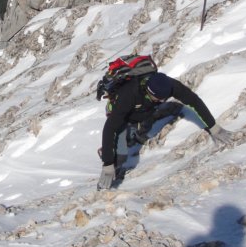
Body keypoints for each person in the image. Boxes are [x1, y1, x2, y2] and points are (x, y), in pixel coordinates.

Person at [98, 71, 233, 190]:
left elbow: (194, 101)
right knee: (120, 156)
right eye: (158, 98)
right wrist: (108, 163)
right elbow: (109, 128)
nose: (162, 100)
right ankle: (103, 182)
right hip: (120, 113)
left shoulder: (170, 85)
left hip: (143, 112)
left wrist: (213, 127)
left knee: (138, 129)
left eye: (164, 98)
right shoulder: (129, 94)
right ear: (148, 92)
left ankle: (132, 132)